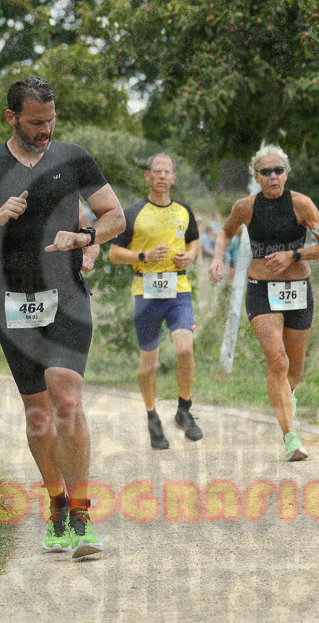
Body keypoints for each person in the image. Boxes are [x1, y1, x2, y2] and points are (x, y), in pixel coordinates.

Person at [0, 77, 124, 559]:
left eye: (51, 121)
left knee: (66, 395)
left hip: (66, 295)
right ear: (11, 118)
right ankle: (57, 506)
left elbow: (114, 215)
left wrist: (86, 240)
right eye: (35, 122)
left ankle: (84, 516)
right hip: (15, 300)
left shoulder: (74, 157)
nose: (46, 130)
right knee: (39, 411)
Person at [208, 145, 319, 461]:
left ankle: (286, 404)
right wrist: (217, 258)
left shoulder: (302, 205)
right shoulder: (246, 207)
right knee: (277, 361)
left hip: (297, 290)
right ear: (256, 176)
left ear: (286, 173)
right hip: (261, 289)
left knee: (294, 373)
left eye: (278, 170)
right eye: (266, 171)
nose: (273, 176)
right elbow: (224, 233)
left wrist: (294, 255)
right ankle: (291, 438)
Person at [108, 153, 202, 450]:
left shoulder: (184, 211)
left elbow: (194, 240)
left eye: (167, 172)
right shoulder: (133, 213)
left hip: (179, 290)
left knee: (185, 350)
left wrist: (191, 255)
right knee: (148, 365)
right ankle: (152, 416)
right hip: (146, 293)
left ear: (174, 178)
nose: (162, 176)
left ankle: (184, 410)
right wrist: (143, 256)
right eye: (156, 172)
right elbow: (113, 253)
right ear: (147, 176)